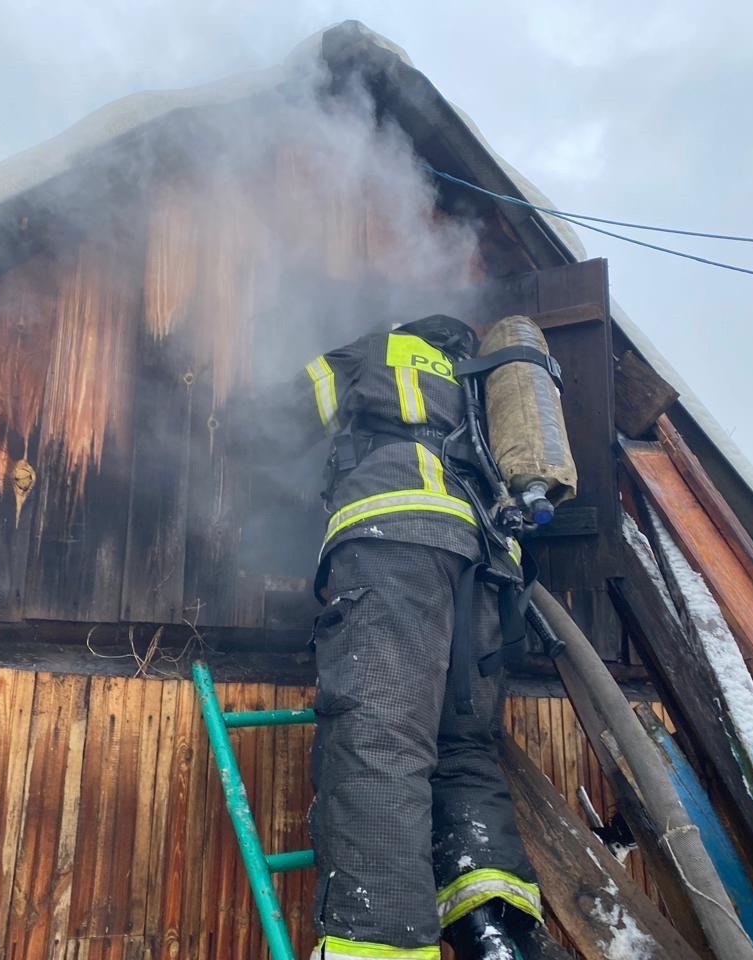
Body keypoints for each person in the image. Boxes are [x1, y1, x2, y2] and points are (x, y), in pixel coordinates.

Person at [253, 315, 564, 960]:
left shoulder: (381, 349)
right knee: (462, 748)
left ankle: (378, 943)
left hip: (395, 541)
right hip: (486, 572)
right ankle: (493, 932)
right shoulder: (484, 387)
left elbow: (282, 417)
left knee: (380, 738)